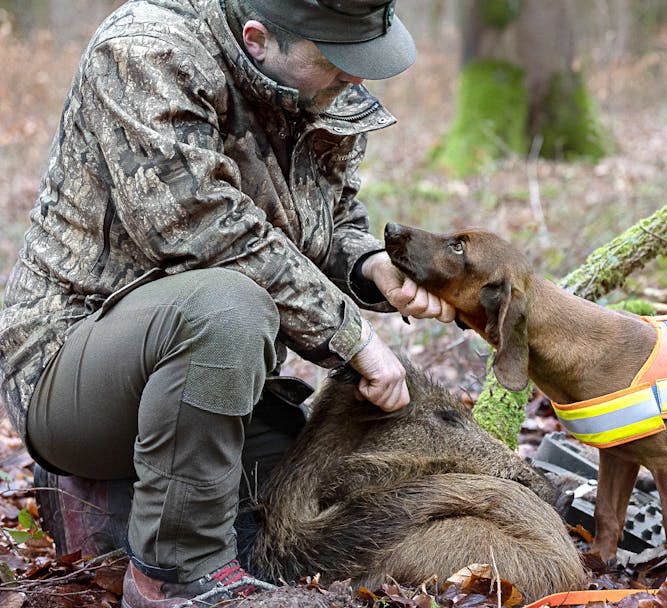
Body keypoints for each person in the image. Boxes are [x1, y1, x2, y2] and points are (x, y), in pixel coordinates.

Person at [0, 0, 455, 605]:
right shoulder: (147, 50)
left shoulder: (314, 82)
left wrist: (372, 268)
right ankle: (178, 576)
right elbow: (201, 229)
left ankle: (192, 536)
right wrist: (355, 342)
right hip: (69, 364)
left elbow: (329, 219)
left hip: (213, 370)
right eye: (338, 60)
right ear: (258, 38)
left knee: (302, 502)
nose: (357, 78)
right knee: (227, 306)